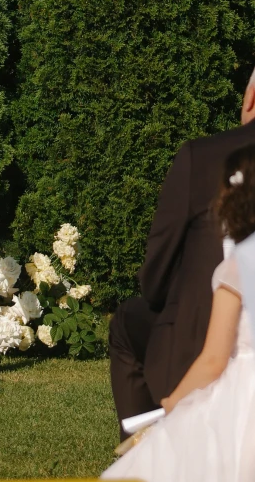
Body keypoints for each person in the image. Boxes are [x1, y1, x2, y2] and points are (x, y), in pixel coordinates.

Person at [103, 155, 255, 482]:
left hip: (245, 397)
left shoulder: (238, 268)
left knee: (174, 466)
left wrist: (174, 402)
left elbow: (213, 360)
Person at [108, 70, 255, 424]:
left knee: (128, 320)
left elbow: (155, 280)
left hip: (203, 351)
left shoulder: (203, 156)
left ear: (250, 98)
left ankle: (142, 445)